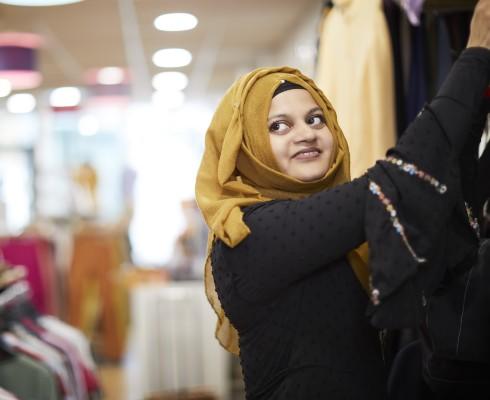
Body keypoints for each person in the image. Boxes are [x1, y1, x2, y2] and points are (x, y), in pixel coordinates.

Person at [195, 1, 490, 398]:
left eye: (316, 119)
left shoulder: (339, 230)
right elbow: (402, 183)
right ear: (246, 149)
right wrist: (474, 56)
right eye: (279, 126)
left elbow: (441, 196)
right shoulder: (252, 234)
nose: (306, 133)